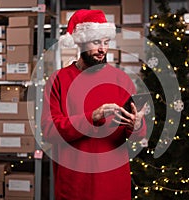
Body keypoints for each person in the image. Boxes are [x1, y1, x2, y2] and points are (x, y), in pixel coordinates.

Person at [41, 9, 147, 200]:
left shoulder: (121, 79)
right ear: (81, 42)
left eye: (106, 43)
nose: (102, 49)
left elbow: (138, 134)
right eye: (96, 42)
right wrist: (92, 117)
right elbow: (49, 130)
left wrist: (136, 125)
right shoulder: (59, 80)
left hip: (114, 184)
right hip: (74, 185)